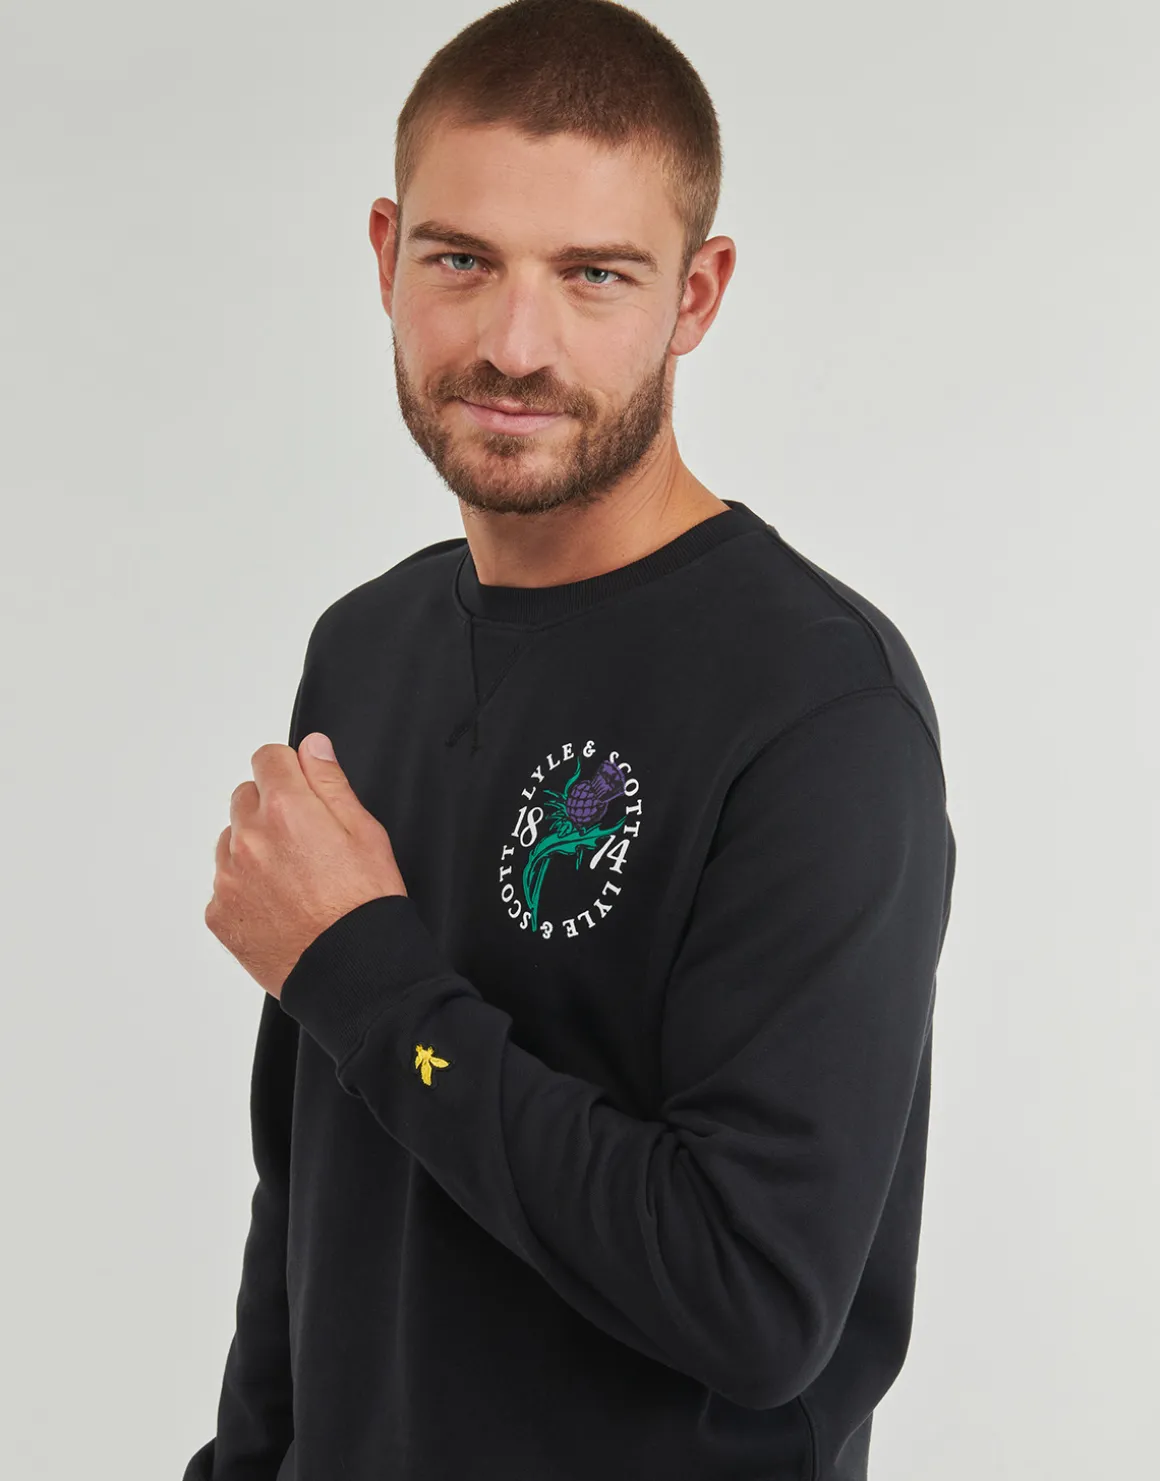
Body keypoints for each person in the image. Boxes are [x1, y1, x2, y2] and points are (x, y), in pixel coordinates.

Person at [183, 2, 957, 1478]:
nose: (512, 345)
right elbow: (313, 1178)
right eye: (460, 260)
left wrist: (365, 975)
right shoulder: (367, 646)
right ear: (384, 257)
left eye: (595, 274)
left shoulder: (818, 706)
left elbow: (754, 1299)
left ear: (696, 294)